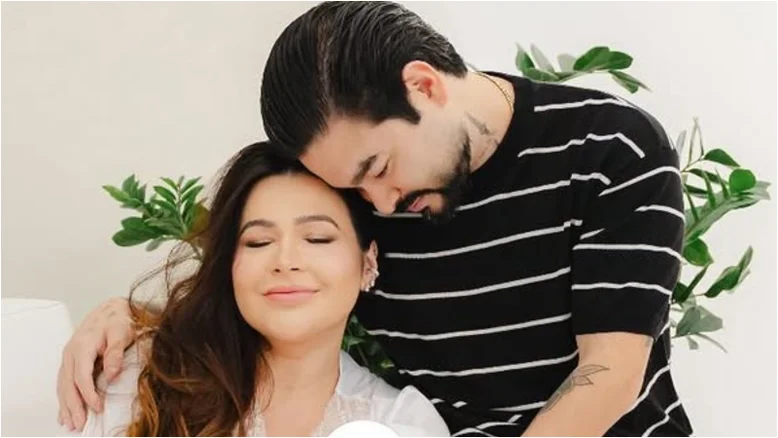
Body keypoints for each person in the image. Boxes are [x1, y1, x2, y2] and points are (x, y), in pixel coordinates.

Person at [58, 2, 694, 436]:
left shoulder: (610, 148)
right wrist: (128, 317)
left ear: (424, 85)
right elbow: (282, 279)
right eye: (354, 188)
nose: (381, 205)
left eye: (379, 167)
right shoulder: (373, 198)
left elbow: (608, 374)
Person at [58, 142, 450, 437]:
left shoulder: (401, 423)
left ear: (367, 262)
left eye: (317, 238)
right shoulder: (139, 380)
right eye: (258, 242)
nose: (286, 260)